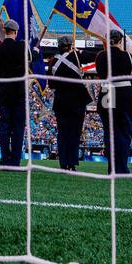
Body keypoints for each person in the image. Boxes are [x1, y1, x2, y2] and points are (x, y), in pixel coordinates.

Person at [94, 29, 132, 174]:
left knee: (110, 133)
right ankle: (122, 168)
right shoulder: (129, 56)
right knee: (124, 133)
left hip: (107, 93)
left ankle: (112, 168)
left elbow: (101, 74)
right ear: (120, 41)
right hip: (124, 94)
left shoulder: (100, 56)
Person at [0, 21, 29, 168]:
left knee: (5, 127)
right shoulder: (22, 47)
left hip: (4, 92)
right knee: (18, 127)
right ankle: (16, 160)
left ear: (4, 31)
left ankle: (5, 159)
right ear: (16, 32)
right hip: (19, 92)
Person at [47, 36, 89, 171]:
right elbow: (93, 57)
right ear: (71, 46)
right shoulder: (76, 56)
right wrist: (79, 52)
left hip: (61, 101)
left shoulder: (53, 61)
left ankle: (63, 163)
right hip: (77, 101)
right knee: (75, 133)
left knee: (63, 133)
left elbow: (51, 84)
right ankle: (72, 163)